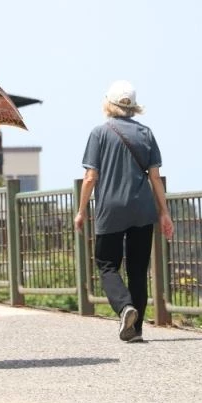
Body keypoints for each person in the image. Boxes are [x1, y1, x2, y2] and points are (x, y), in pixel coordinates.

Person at [74, 80, 174, 343]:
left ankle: (124, 307)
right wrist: (164, 213)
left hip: (111, 209)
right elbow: (155, 177)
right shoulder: (146, 133)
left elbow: (90, 177)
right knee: (138, 270)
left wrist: (81, 210)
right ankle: (136, 329)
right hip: (143, 209)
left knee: (107, 264)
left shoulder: (99, 133)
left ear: (108, 103)